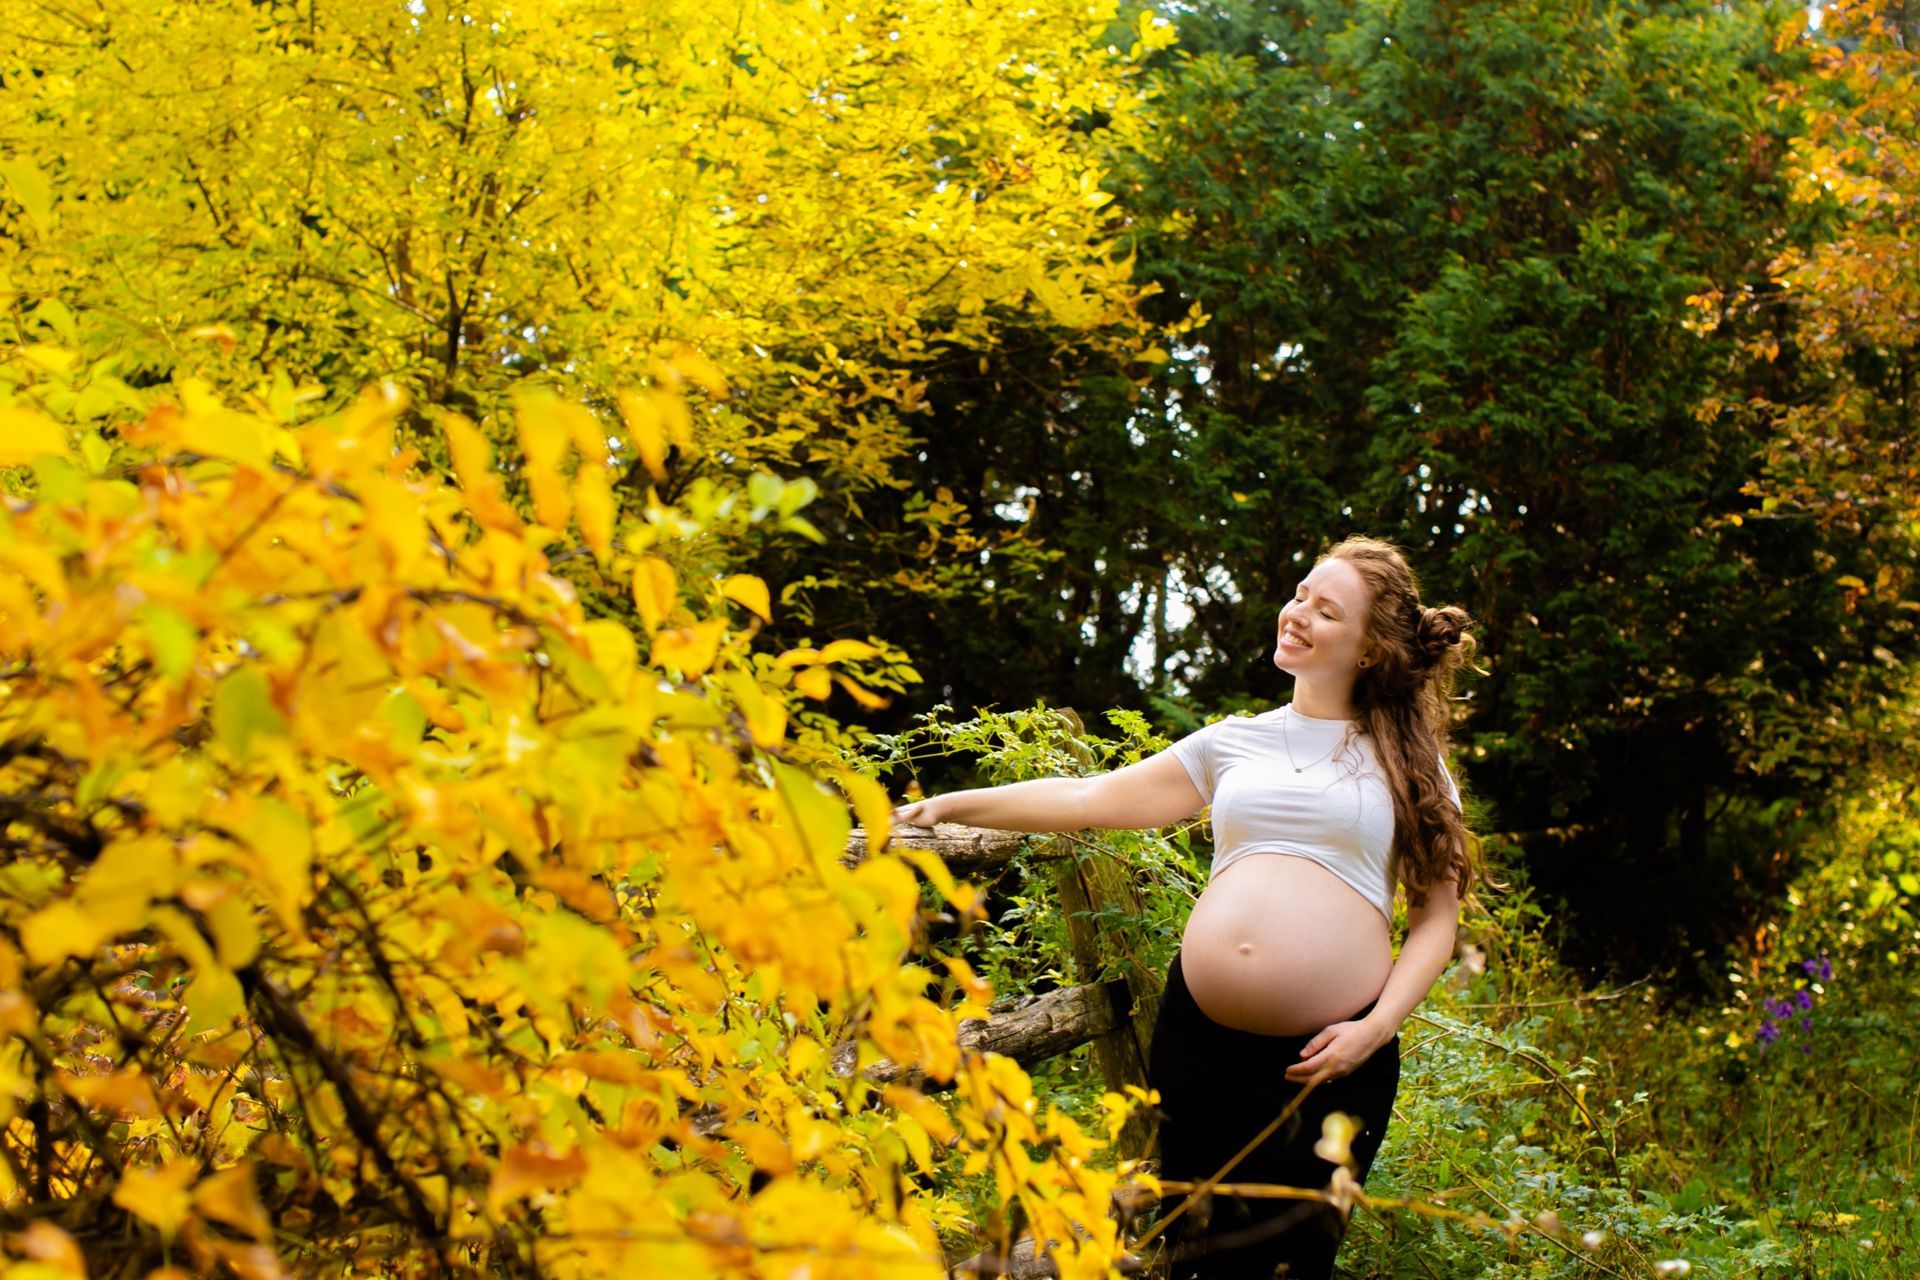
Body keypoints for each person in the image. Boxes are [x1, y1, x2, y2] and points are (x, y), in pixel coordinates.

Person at [891, 536, 1491, 1279]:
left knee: (1285, 1266)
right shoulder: (1235, 743)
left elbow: (1437, 919)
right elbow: (1090, 797)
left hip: (1328, 1062)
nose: (1298, 613)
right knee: (1196, 1255)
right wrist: (950, 805)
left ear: (1370, 649)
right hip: (1198, 1046)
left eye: (1326, 610)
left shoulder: (1409, 763)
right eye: (1300, 593)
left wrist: (1375, 1028)